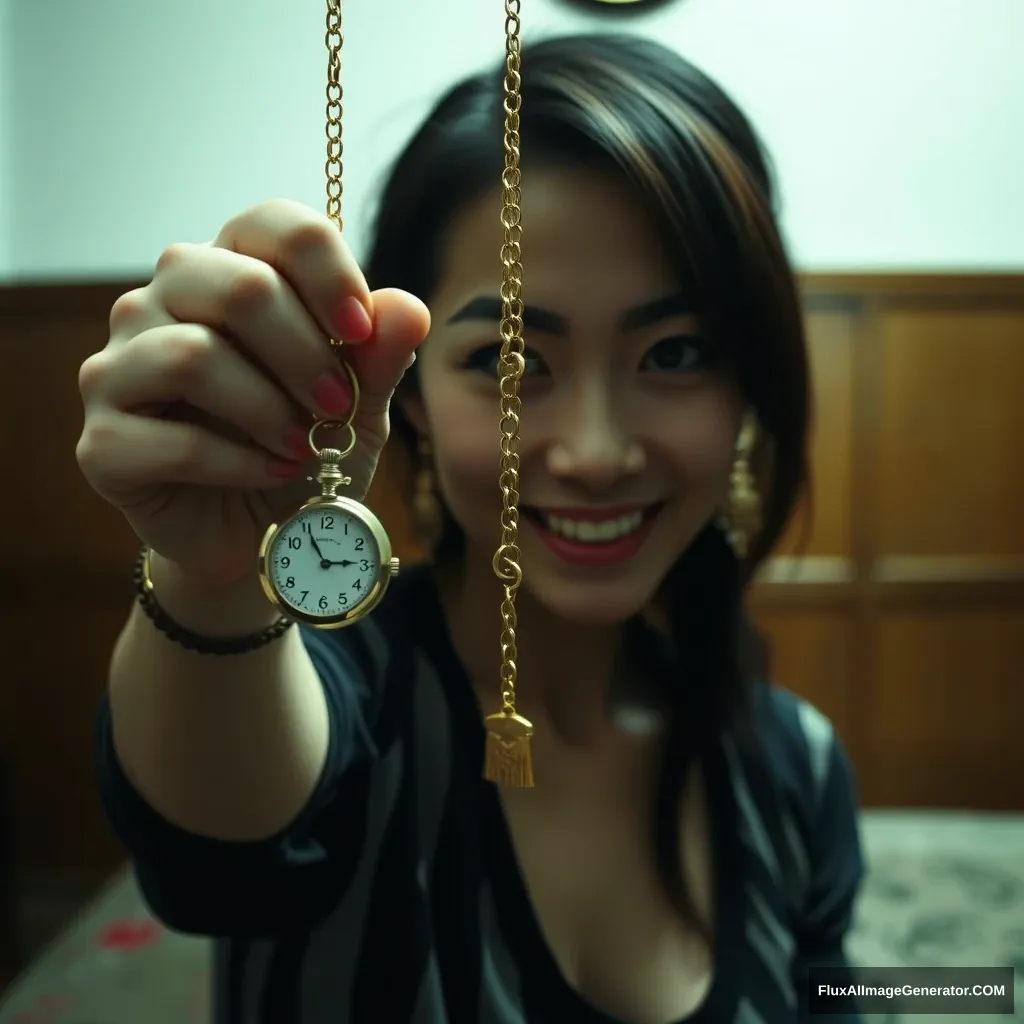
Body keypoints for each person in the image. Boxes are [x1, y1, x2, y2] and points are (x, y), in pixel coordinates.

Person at [76, 33, 864, 1024]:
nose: (593, 451)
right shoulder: (341, 684)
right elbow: (218, 850)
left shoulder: (793, 763)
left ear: (749, 385)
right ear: (403, 391)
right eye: (508, 361)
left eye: (675, 353)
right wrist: (210, 577)